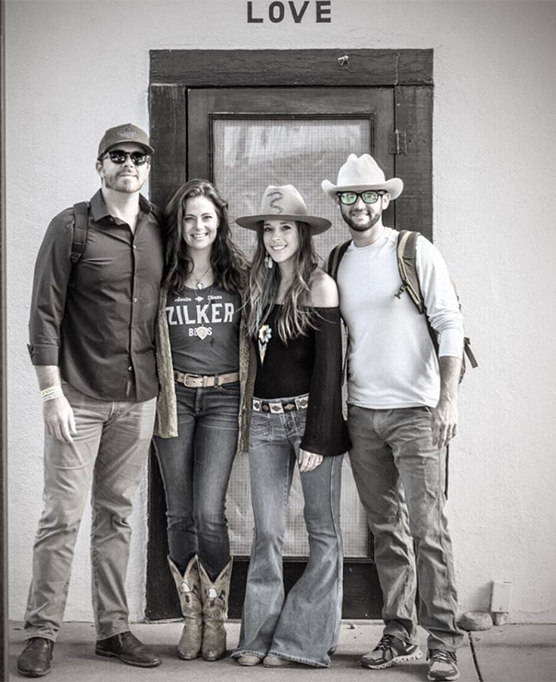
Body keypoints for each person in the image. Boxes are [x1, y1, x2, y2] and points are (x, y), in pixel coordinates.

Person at [19, 123, 164, 677]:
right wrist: (50, 393)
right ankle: (41, 632)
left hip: (139, 397)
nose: (128, 164)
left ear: (146, 166)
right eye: (117, 155)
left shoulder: (160, 227)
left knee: (117, 516)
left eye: (137, 156)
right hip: (77, 396)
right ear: (100, 165)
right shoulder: (71, 227)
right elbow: (44, 315)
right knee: (61, 516)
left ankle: (113, 630)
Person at [321, 154, 465, 682]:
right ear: (340, 203)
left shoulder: (413, 249)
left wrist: (448, 399)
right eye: (348, 196)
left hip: (416, 412)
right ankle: (398, 632)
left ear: (384, 199)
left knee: (429, 529)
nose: (358, 205)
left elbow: (449, 322)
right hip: (362, 414)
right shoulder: (337, 259)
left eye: (368, 195)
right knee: (385, 529)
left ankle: (443, 642)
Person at [231, 185, 350, 669]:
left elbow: (329, 370)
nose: (276, 237)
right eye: (268, 229)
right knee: (268, 532)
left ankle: (301, 640)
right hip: (264, 420)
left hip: (309, 419)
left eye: (285, 228)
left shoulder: (320, 286)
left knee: (322, 531)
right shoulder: (258, 286)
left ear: (302, 233)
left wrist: (317, 436)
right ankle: (257, 637)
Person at [152, 179, 252, 662]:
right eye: (189, 217)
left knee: (209, 512)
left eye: (207, 217)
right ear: (179, 223)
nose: (198, 226)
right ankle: (190, 619)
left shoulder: (241, 276)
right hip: (174, 399)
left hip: (223, 399)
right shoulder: (162, 276)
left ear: (220, 222)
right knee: (179, 512)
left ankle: (216, 619)